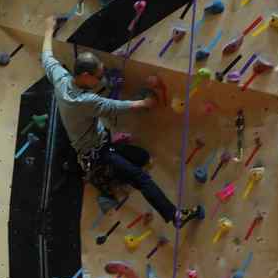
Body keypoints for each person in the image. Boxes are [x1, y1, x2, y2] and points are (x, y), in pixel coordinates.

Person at [41, 15, 192, 228]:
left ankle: (113, 174)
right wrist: (145, 103)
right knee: (141, 178)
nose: (100, 80)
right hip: (98, 153)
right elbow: (118, 106)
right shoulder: (86, 101)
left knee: (142, 157)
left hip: (99, 144)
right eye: (97, 77)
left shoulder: (60, 78)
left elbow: (46, 56)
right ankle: (175, 216)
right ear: (85, 75)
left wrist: (49, 28)